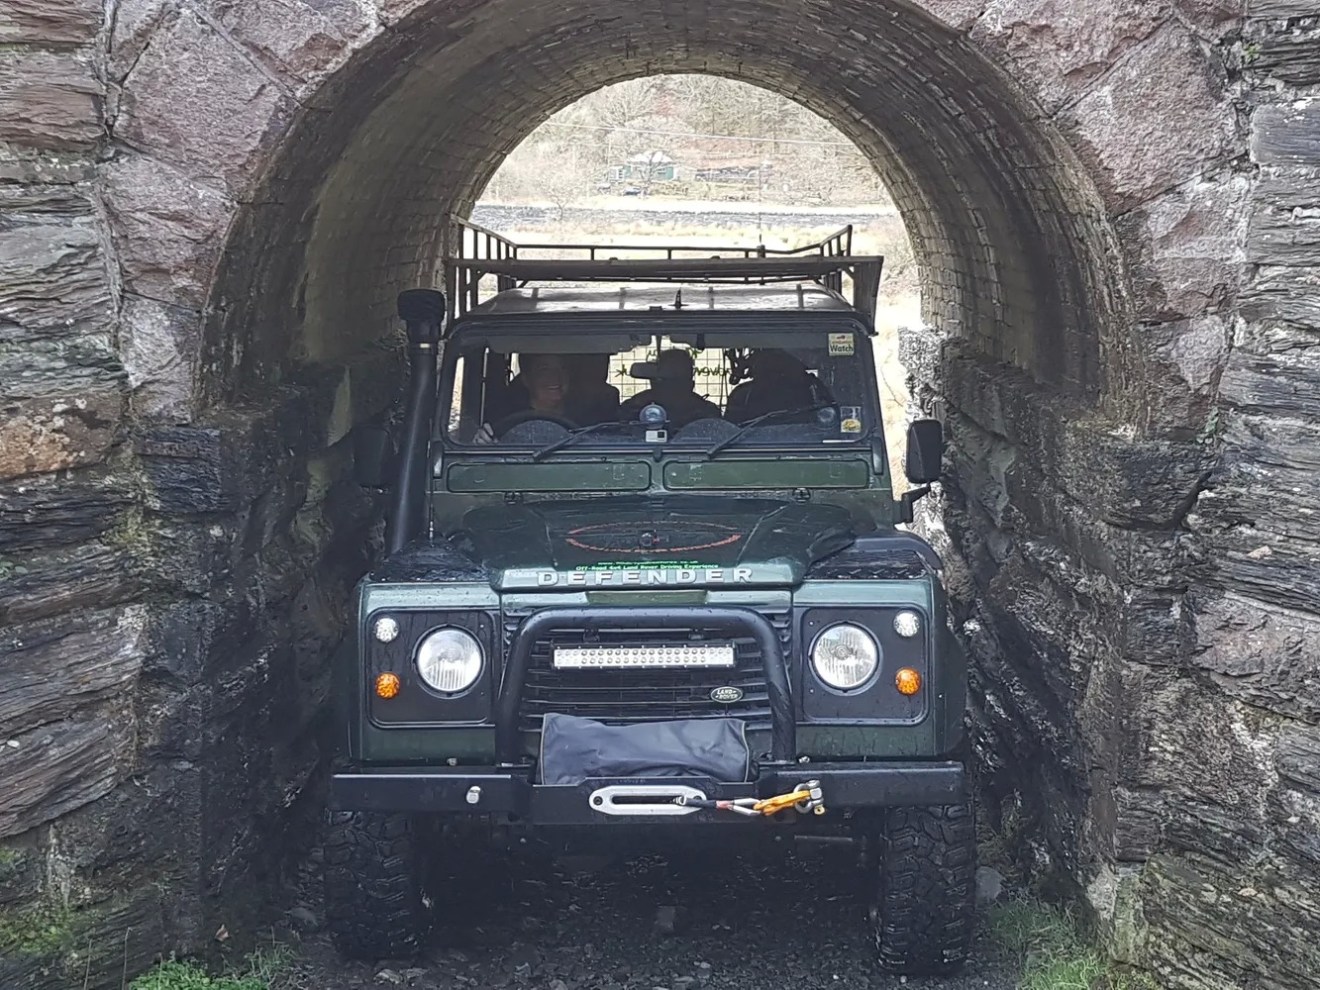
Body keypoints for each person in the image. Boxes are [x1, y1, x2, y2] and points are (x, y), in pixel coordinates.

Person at [473, 352, 575, 442]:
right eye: (544, 369)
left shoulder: (585, 419)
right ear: (526, 379)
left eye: (562, 368)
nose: (555, 377)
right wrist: (483, 443)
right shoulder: (503, 421)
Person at [618, 348, 723, 429]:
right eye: (670, 374)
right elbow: (617, 435)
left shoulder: (705, 412)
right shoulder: (635, 407)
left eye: (679, 374)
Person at [724, 348, 827, 423]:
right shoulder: (742, 395)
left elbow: (830, 420)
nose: (775, 375)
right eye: (768, 368)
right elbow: (730, 431)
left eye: (780, 368)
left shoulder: (812, 388)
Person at [566, 352, 621, 425]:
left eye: (602, 363)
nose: (599, 368)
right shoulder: (560, 393)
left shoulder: (609, 394)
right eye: (592, 365)